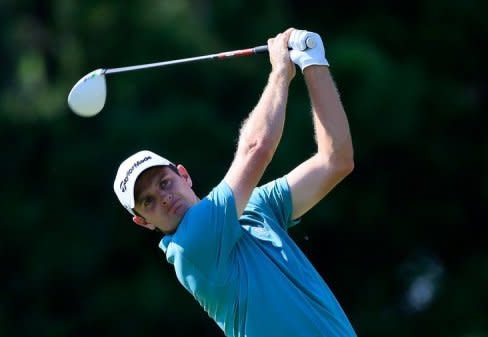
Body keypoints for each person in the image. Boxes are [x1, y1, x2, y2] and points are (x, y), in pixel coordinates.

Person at [113, 28, 356, 337]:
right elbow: (256, 149)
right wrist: (281, 71)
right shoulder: (191, 246)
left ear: (184, 175)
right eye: (147, 201)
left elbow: (335, 161)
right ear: (143, 222)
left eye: (163, 183)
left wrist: (313, 62)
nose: (162, 198)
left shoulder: (255, 207)